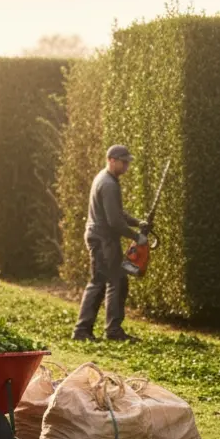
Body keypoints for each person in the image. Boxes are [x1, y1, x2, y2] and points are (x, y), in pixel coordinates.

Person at [72, 145, 146, 342]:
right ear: (111, 160)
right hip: (104, 239)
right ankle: (110, 331)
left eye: (127, 162)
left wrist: (137, 223)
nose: (126, 166)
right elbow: (114, 221)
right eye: (123, 162)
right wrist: (137, 236)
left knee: (102, 282)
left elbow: (117, 213)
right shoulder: (109, 184)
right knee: (115, 282)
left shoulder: (104, 179)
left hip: (99, 237)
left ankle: (83, 331)